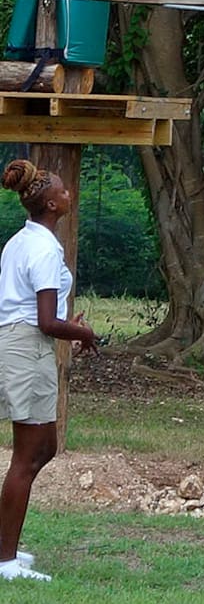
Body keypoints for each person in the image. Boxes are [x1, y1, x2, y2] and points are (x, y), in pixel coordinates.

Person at [0, 160, 100, 582]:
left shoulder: (22, 241)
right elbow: (44, 320)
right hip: (28, 345)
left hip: (23, 342)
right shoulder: (42, 248)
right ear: (52, 204)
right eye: (62, 189)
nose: (68, 191)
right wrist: (82, 330)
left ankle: (5, 549)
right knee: (28, 455)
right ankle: (5, 562)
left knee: (43, 448)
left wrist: (66, 323)